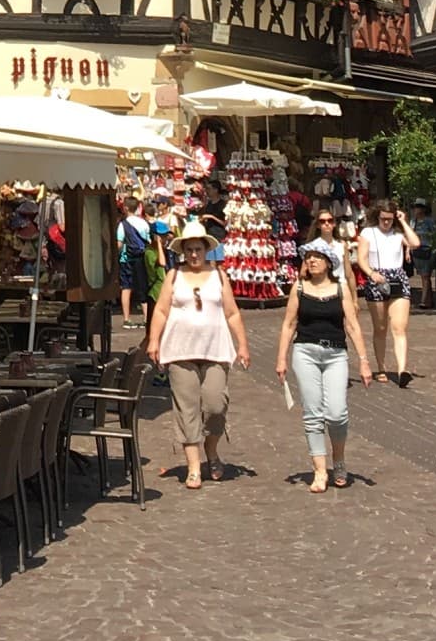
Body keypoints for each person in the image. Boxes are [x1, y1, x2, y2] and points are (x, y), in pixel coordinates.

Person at [145, 216, 250, 488]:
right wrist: (154, 340)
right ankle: (193, 466)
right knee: (187, 408)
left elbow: (232, 312)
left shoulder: (219, 276)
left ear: (206, 250)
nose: (193, 254)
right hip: (180, 350)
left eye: (198, 249)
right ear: (183, 251)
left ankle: (212, 449)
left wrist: (243, 345)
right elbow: (161, 310)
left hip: (215, 349)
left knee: (216, 405)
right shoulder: (174, 275)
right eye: (189, 249)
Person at [276, 242, 373, 491]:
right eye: (308, 256)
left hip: (335, 354)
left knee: (337, 413)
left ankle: (338, 460)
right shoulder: (299, 288)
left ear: (329, 262)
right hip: (305, 352)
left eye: (317, 256)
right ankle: (319, 470)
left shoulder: (341, 289)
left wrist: (363, 361)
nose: (312, 261)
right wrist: (281, 358)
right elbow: (289, 324)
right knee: (312, 414)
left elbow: (352, 326)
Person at [353, 198, 421, 383]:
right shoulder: (368, 232)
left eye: (390, 219)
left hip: (397, 277)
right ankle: (381, 367)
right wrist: (370, 273)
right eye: (383, 218)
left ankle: (402, 370)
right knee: (380, 328)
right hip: (377, 277)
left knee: (399, 327)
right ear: (377, 216)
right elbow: (362, 258)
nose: (386, 222)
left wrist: (403, 222)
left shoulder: (398, 233)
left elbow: (415, 243)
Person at [116, 196, 152, 321]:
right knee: (143, 287)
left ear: (125, 208)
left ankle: (126, 318)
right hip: (141, 258)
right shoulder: (144, 223)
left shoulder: (123, 224)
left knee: (126, 287)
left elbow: (119, 244)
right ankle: (147, 317)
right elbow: (149, 241)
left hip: (126, 259)